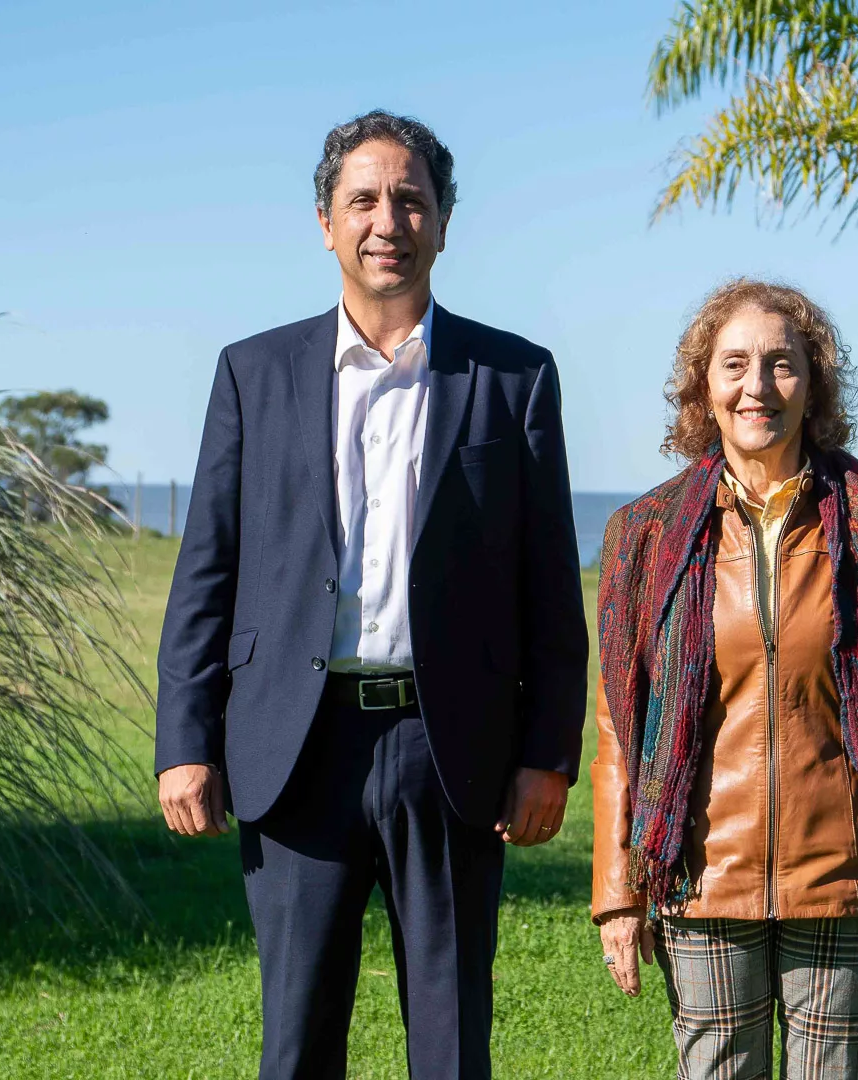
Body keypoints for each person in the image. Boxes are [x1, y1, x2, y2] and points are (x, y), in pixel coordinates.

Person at [154, 110, 587, 1080]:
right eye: (363, 201)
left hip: (451, 748)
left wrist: (547, 754)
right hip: (294, 747)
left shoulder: (513, 378)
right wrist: (185, 741)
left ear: (444, 223)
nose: (387, 221)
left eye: (410, 200)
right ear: (325, 223)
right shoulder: (252, 373)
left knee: (451, 1048)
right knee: (297, 1045)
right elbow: (207, 571)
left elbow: (551, 587)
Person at [589, 280, 858, 1079]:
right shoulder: (644, 533)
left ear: (813, 384)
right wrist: (618, 889)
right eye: (735, 365)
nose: (757, 386)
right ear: (703, 386)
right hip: (700, 883)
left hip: (842, 881)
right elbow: (620, 724)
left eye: (782, 363)